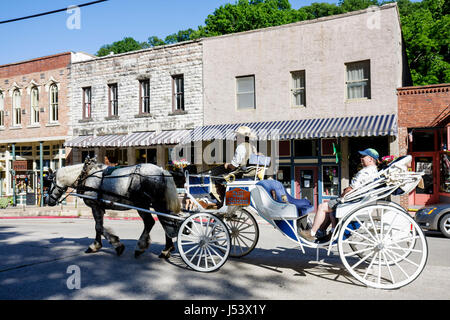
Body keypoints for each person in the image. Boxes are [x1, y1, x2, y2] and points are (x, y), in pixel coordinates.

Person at [299, 148, 380, 242]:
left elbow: (352, 188)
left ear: (370, 159)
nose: (361, 158)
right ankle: (322, 232)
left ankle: (311, 233)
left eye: (363, 157)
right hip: (359, 201)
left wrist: (343, 194)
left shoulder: (365, 172)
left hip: (353, 202)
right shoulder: (374, 172)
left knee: (322, 207)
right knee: (329, 208)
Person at [210, 126, 257, 206]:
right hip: (251, 173)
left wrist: (227, 165)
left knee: (216, 177)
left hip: (242, 174)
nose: (235, 137)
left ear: (242, 137)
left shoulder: (241, 147)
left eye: (237, 136)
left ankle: (223, 199)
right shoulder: (252, 147)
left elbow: (233, 166)